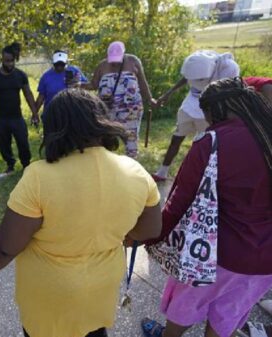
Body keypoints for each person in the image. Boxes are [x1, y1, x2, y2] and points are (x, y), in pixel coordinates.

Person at [0, 89, 163, 337]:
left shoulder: (39, 177)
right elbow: (150, 229)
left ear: (54, 128)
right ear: (100, 121)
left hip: (50, 297)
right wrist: (109, 237)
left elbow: (5, 247)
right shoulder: (135, 171)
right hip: (102, 287)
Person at [141, 77, 272, 337]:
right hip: (265, 261)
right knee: (227, 316)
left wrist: (151, 236)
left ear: (215, 110)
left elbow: (179, 202)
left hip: (213, 254)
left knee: (185, 307)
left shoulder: (212, 142)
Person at [151, 50, 239, 181]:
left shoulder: (229, 68)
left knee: (205, 144)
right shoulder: (199, 61)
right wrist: (169, 93)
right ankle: (162, 172)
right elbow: (186, 77)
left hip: (211, 109)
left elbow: (230, 92)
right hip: (190, 104)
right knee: (176, 138)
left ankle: (203, 177)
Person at [0, 42, 39, 180]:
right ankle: (10, 165)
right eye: (6, 61)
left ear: (15, 60)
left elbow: (28, 94)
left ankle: (26, 165)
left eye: (11, 61)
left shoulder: (20, 76)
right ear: (2, 60)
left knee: (23, 142)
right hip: (0, 118)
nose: (9, 64)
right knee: (4, 144)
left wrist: (35, 113)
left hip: (16, 117)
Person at [90, 41, 157, 158]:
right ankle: (106, 165)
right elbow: (93, 85)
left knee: (130, 140)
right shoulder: (102, 65)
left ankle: (132, 169)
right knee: (105, 140)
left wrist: (149, 98)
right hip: (108, 110)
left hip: (131, 110)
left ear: (123, 54)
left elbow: (142, 82)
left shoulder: (133, 61)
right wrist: (77, 84)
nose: (115, 62)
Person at [36, 50, 88, 120]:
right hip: (51, 114)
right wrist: (35, 113)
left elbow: (87, 88)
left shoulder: (75, 71)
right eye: (57, 64)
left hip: (71, 113)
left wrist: (78, 84)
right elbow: (41, 97)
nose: (59, 66)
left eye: (62, 64)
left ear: (66, 63)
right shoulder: (46, 76)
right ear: (53, 63)